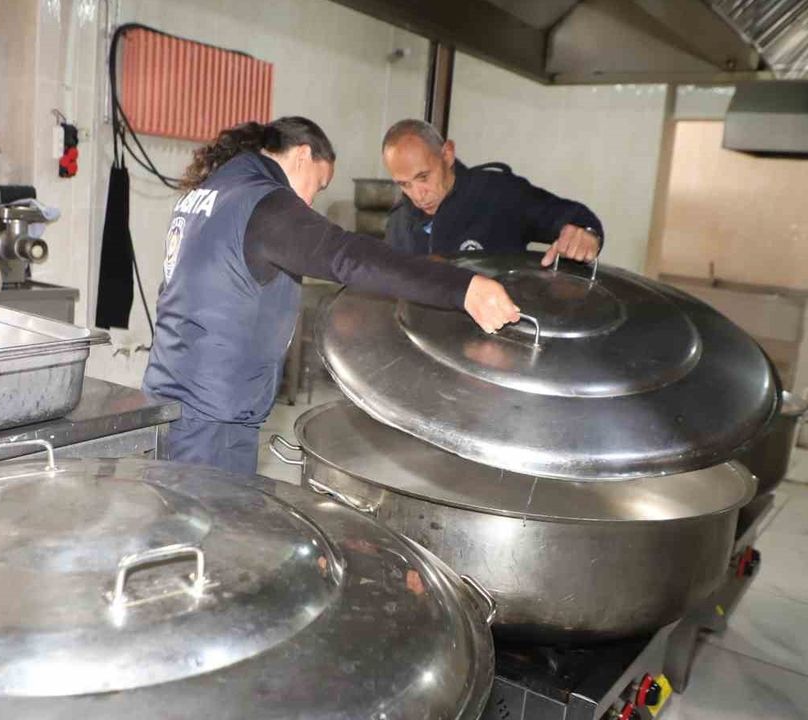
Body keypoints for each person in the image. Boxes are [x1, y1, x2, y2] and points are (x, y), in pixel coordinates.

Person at [142, 117, 522, 474]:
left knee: (177, 526)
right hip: (213, 416)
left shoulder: (212, 192)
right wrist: (462, 288)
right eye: (319, 185)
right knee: (210, 533)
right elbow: (348, 256)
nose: (308, 203)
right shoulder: (265, 203)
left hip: (171, 397)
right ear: (303, 154)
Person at [381, 119, 604, 267]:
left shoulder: (498, 194)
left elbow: (569, 216)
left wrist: (586, 233)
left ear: (447, 155)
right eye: (404, 184)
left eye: (423, 177)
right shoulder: (399, 222)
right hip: (420, 334)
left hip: (495, 333)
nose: (418, 195)